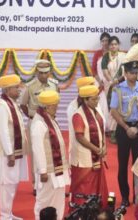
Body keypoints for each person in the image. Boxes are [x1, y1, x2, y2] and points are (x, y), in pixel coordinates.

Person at [110, 60, 138, 206]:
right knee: (122, 165)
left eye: (136, 73)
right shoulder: (118, 89)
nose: (134, 75)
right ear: (126, 73)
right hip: (123, 129)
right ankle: (124, 197)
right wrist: (127, 128)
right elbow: (113, 110)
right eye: (132, 73)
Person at [20, 59, 59, 195]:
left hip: (51, 121)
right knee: (36, 152)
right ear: (36, 71)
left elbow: (56, 103)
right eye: (41, 73)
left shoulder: (54, 85)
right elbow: (23, 105)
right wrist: (32, 117)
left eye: (46, 73)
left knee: (52, 150)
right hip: (35, 123)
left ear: (50, 72)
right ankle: (36, 185)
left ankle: (53, 180)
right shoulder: (30, 86)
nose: (44, 75)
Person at [0, 74, 29, 220]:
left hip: (16, 151)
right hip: (7, 153)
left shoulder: (12, 103)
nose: (19, 90)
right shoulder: (2, 106)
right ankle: (4, 216)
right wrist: (10, 153)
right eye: (16, 88)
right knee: (6, 185)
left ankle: (8, 214)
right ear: (7, 90)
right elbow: (3, 132)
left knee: (13, 183)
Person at [31, 90, 70, 220]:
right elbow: (38, 149)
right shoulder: (39, 123)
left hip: (58, 170)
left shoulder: (49, 119)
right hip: (47, 172)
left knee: (58, 200)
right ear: (47, 107)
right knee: (44, 201)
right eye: (55, 106)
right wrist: (43, 171)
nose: (57, 108)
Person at [70, 85, 108, 208]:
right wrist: (96, 149)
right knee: (84, 189)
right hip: (84, 159)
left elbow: (100, 131)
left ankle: (94, 210)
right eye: (94, 99)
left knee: (95, 187)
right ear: (85, 100)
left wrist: (103, 147)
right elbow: (79, 137)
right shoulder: (78, 115)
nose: (97, 102)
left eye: (97, 99)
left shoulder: (95, 112)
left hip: (96, 157)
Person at [101, 36, 126, 142]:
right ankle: (112, 131)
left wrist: (117, 81)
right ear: (109, 46)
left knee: (120, 108)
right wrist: (111, 81)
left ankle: (119, 131)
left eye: (115, 44)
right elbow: (104, 70)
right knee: (112, 108)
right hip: (110, 86)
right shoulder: (106, 57)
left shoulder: (123, 56)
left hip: (121, 85)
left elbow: (125, 72)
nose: (113, 46)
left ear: (118, 45)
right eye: (111, 44)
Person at [67, 76, 96, 160]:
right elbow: (78, 135)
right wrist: (96, 149)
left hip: (96, 149)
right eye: (91, 86)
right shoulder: (73, 107)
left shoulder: (96, 104)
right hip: (81, 151)